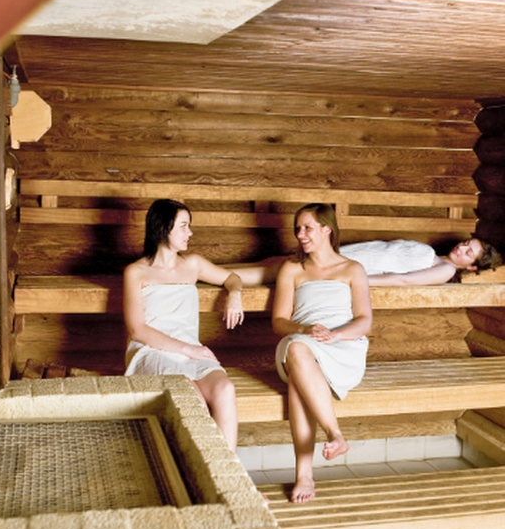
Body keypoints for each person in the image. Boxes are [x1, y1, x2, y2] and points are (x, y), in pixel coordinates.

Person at [124, 199, 244, 450]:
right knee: (191, 396)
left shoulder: (193, 264)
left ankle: (229, 470)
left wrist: (234, 294)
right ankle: (199, 471)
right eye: (183, 226)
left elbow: (232, 278)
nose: (189, 233)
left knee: (224, 388)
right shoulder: (136, 272)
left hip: (191, 349)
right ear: (162, 227)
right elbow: (137, 330)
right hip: (151, 350)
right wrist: (189, 350)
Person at [272, 204, 372, 503]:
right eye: (298, 228)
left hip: (343, 347)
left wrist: (335, 335)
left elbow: (364, 321)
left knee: (298, 379)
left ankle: (304, 475)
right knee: (297, 350)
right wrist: (304, 329)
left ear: (327, 229)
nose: (300, 234)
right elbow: (279, 321)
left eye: (308, 228)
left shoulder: (352, 269)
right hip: (301, 340)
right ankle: (334, 434)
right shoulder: (292, 269)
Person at [233, 237, 501, 286]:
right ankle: (221, 272)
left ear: (472, 267)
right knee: (279, 261)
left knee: (281, 270)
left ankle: (218, 276)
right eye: (466, 243)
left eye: (469, 253)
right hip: (360, 251)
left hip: (359, 266)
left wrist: (357, 280)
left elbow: (403, 280)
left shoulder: (445, 270)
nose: (461, 248)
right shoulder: (434, 254)